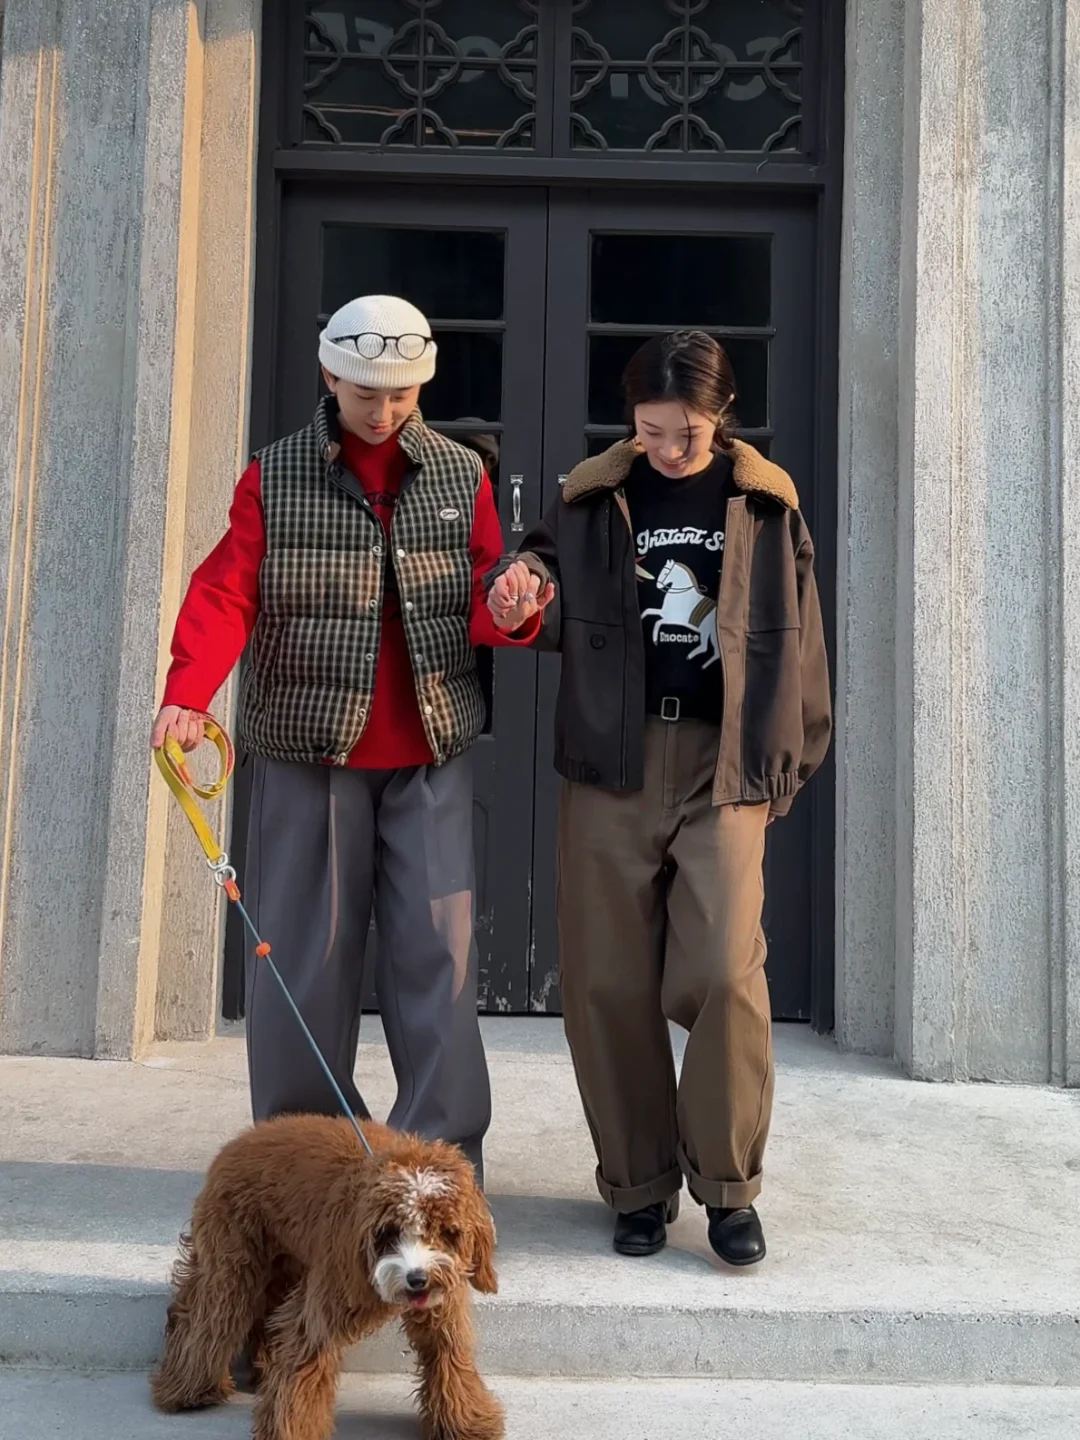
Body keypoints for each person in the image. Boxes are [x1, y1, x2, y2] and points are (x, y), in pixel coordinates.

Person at [151, 294, 539, 1184]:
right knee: (303, 965)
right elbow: (225, 591)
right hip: (308, 753)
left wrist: (513, 607)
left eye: (402, 393)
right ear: (330, 376)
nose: (384, 410)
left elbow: (484, 594)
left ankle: (439, 1168)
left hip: (430, 752)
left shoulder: (462, 474)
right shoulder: (275, 473)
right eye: (367, 392)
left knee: (438, 963)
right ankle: (304, 1167)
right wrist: (186, 695)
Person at [487, 331, 831, 1264]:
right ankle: (638, 1186)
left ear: (721, 417)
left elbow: (801, 640)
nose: (669, 449)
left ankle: (727, 1187)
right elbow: (539, 582)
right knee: (606, 979)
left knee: (723, 970)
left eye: (687, 432)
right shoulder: (591, 495)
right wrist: (521, 596)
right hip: (614, 758)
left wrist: (791, 759)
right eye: (651, 430)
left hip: (726, 763)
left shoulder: (766, 502)